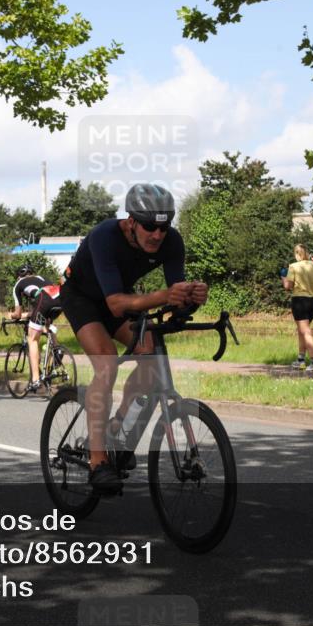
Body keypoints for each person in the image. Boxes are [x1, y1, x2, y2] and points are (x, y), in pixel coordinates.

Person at [61, 183, 207, 493]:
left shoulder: (171, 242)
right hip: (83, 298)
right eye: (150, 226)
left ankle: (117, 427)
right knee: (107, 363)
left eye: (164, 227)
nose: (157, 234)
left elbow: (173, 297)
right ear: (131, 221)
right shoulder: (105, 236)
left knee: (151, 355)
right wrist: (165, 295)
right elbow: (115, 304)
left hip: (120, 299)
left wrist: (191, 298)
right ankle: (98, 461)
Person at [281, 244, 313, 372]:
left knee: (306, 331)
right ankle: (301, 360)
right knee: (302, 331)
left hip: (299, 301)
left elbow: (288, 286)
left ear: (297, 254)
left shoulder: (293, 266)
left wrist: (283, 277)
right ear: (307, 253)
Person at [9, 264, 61, 392]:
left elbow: (18, 313)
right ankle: (57, 349)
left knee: (32, 339)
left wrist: (11, 315)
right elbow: (38, 309)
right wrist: (29, 314)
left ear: (18, 277)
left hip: (44, 299)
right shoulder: (42, 278)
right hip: (59, 298)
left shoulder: (18, 284)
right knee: (46, 324)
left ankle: (36, 380)